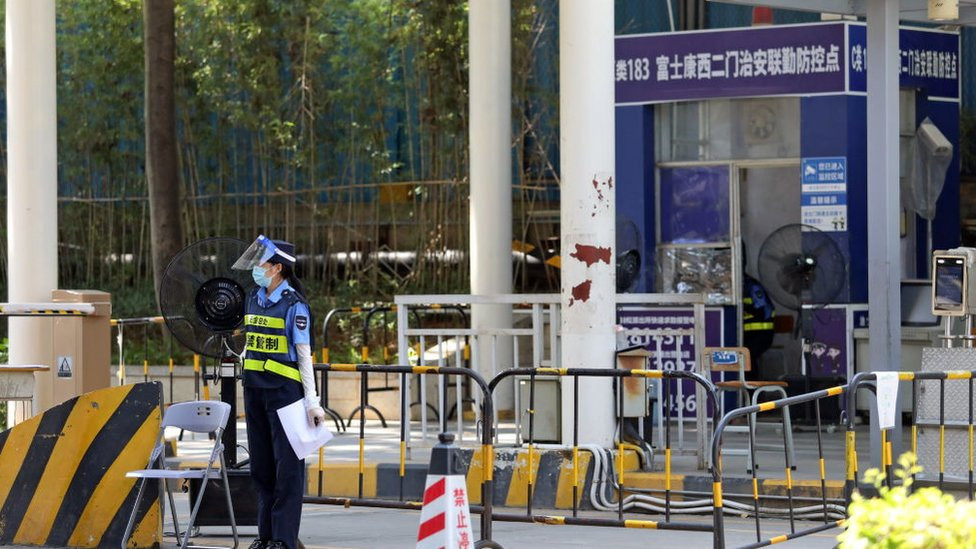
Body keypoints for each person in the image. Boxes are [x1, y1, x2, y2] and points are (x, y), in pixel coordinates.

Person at [233, 236, 326, 549]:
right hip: (255, 391)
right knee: (261, 467)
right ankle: (266, 536)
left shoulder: (294, 305)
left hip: (286, 395)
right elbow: (251, 343)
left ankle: (283, 540)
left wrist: (312, 402)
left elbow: (304, 354)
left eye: (262, 263)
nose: (257, 269)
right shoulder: (252, 299)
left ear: (278, 268)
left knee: (287, 470)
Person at [742, 270, 775, 381]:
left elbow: (761, 311)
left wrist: (742, 306)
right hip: (747, 335)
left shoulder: (752, 287)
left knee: (748, 357)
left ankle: (752, 392)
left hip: (761, 334)